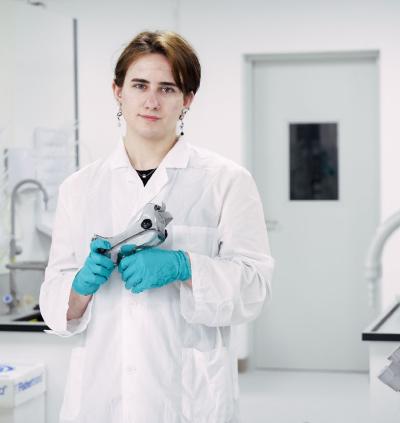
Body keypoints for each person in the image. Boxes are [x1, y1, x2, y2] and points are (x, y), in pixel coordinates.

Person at [39, 30, 274, 423]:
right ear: (118, 92)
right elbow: (55, 304)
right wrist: (78, 285)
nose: (151, 100)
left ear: (187, 100)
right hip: (101, 396)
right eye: (139, 85)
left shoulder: (226, 181)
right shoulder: (79, 188)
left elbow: (255, 288)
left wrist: (184, 266)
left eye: (167, 88)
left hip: (188, 396)